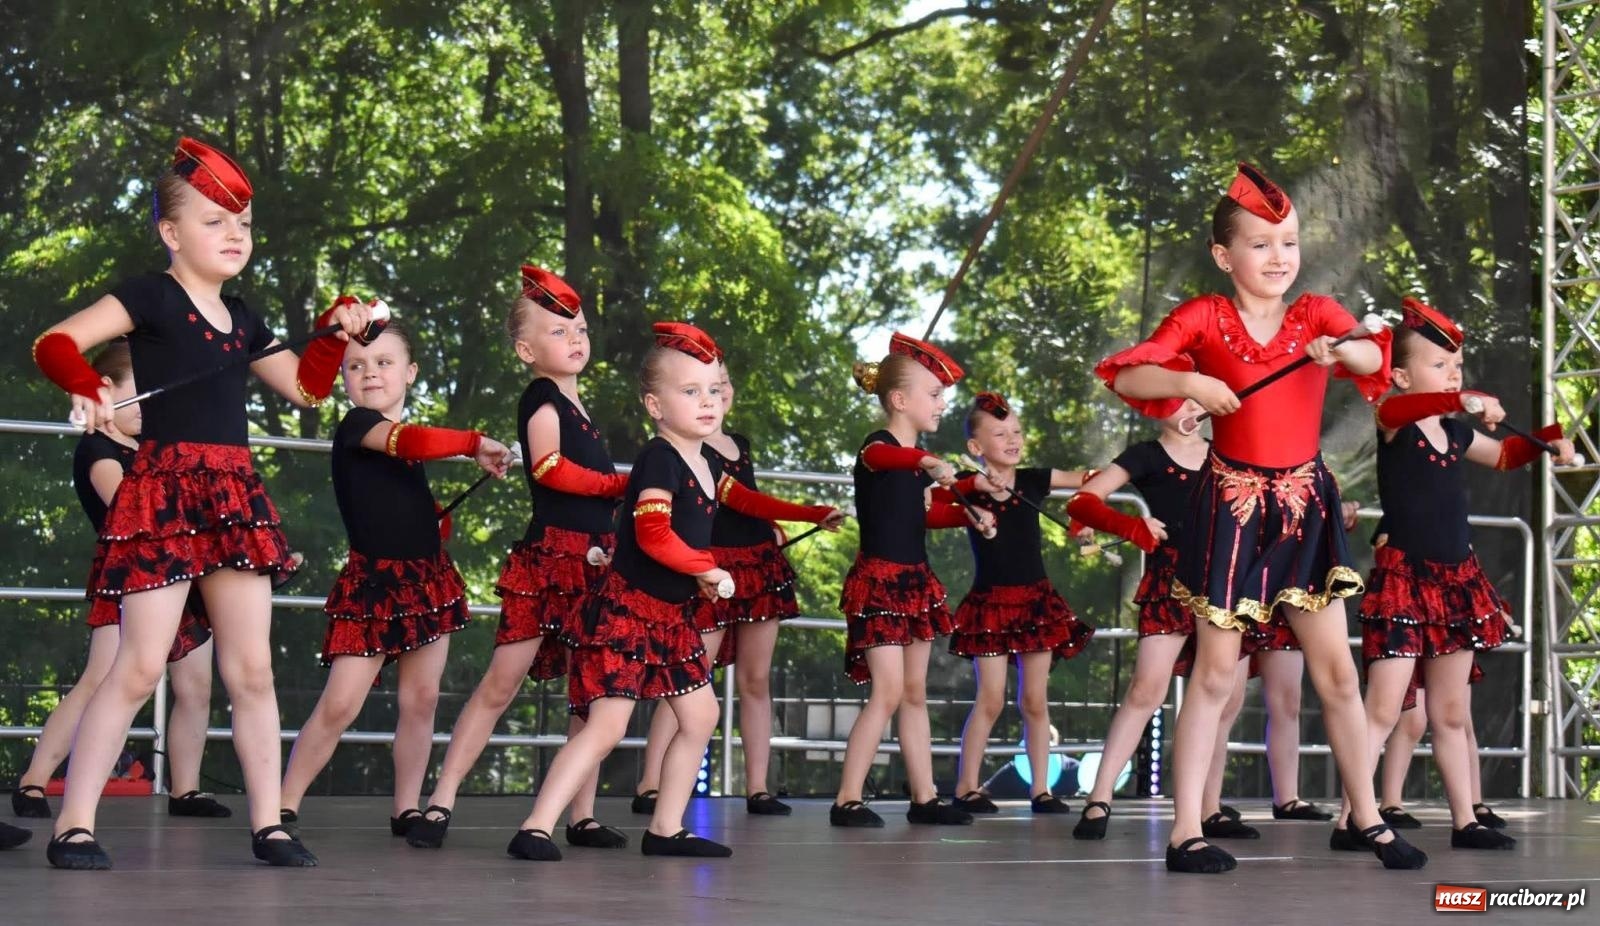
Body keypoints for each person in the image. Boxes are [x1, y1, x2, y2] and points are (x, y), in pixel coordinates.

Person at [31, 136, 373, 869]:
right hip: (164, 493)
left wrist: (331, 331)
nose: (234, 234)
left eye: (242, 223)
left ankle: (269, 824)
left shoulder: (244, 318)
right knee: (138, 667)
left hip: (232, 496)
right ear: (170, 232)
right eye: (214, 220)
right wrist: (87, 387)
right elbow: (55, 342)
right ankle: (74, 825)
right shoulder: (149, 297)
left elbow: (307, 388)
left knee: (252, 672)